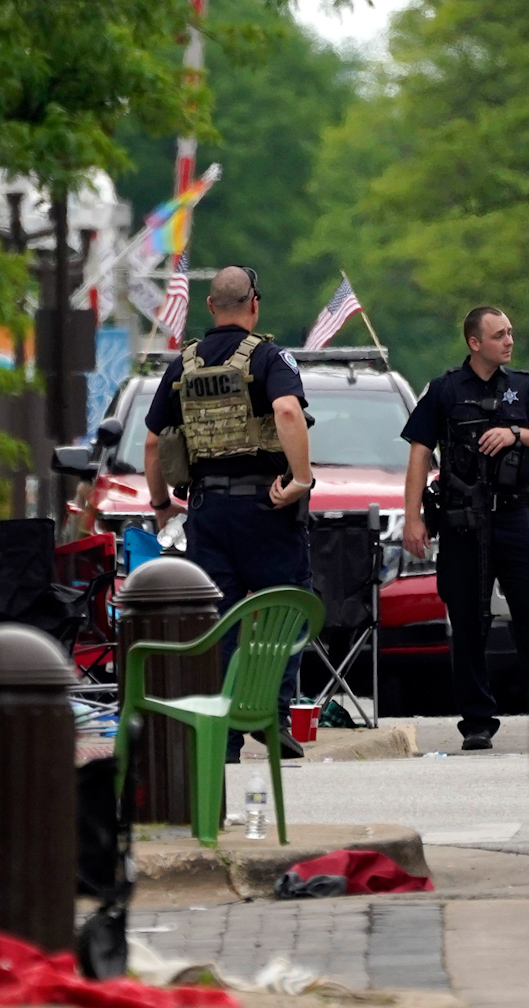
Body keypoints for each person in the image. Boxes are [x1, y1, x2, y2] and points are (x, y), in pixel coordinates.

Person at [143, 266, 313, 763]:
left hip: (207, 508)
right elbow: (287, 412)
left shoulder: (183, 365)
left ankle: (223, 740)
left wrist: (160, 508)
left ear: (211, 307)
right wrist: (300, 480)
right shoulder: (268, 357)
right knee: (286, 606)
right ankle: (271, 712)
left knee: (218, 621)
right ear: (254, 304)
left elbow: (153, 444)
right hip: (267, 504)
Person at [401, 307, 529, 751]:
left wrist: (514, 433)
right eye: (499, 335)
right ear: (475, 343)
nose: (509, 341)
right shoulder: (445, 390)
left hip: (513, 517)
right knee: (467, 620)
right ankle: (476, 721)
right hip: (463, 521)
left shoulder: (526, 387)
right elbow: (419, 452)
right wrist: (412, 517)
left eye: (510, 332)